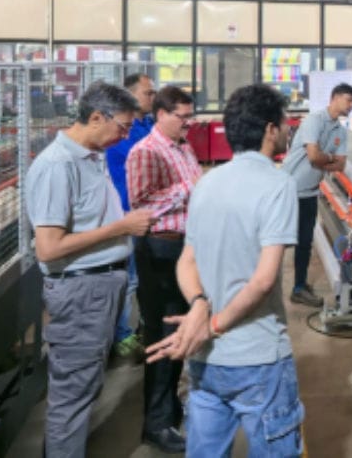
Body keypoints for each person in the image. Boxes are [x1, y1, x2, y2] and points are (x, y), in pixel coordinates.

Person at [145, 84, 303, 456]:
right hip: (258, 357)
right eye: (283, 123)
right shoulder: (278, 185)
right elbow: (264, 280)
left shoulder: (207, 182)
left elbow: (187, 261)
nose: (286, 130)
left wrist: (199, 306)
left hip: (206, 360)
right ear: (269, 129)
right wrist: (214, 323)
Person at [24, 81, 154, 457]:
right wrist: (122, 227)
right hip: (81, 291)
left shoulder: (91, 155)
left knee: (85, 387)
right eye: (122, 127)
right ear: (96, 117)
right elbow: (48, 248)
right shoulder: (57, 166)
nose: (126, 135)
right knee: (73, 395)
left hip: (99, 286)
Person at [125, 86, 203, 453]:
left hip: (183, 251)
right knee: (162, 337)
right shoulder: (147, 152)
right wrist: (189, 188)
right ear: (160, 114)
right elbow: (141, 205)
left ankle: (170, 410)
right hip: (159, 250)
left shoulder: (183, 147)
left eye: (190, 116)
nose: (188, 123)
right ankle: (155, 424)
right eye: (182, 117)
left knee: (179, 335)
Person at [281, 82, 352, 307]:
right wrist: (329, 158)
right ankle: (261, 288)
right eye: (348, 100)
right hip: (289, 190)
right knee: (280, 241)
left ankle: (299, 287)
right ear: (334, 98)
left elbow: (341, 165)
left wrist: (326, 159)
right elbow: (314, 157)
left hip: (309, 192)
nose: (351, 105)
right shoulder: (314, 121)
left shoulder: (340, 131)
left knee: (304, 242)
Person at [106, 72, 156, 358]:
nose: (152, 97)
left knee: (141, 276)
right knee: (129, 279)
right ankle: (120, 335)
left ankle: (140, 327)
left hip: (144, 213)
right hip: (126, 214)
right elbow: (150, 153)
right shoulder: (124, 134)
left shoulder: (145, 124)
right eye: (147, 93)